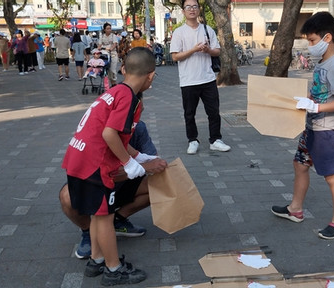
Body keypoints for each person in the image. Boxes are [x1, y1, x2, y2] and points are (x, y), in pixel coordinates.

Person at [61, 47, 167, 286]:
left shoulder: (115, 91)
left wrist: (138, 156)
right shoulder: (129, 97)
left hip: (77, 158)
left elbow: (118, 137)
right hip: (94, 165)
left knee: (98, 216)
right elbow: (110, 133)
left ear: (123, 69)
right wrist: (129, 164)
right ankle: (113, 270)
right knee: (105, 219)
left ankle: (97, 260)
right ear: (150, 76)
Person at [271, 12, 334, 240]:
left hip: (327, 131)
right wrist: (304, 100)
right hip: (312, 129)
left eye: (313, 40)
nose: (310, 45)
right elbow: (319, 92)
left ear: (328, 38)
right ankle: (295, 209)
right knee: (299, 164)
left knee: (332, 176)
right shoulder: (322, 63)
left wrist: (315, 108)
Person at [59, 119, 157, 260]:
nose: (137, 112)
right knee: (67, 196)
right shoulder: (96, 131)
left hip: (123, 185)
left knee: (159, 185)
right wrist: (142, 166)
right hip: (96, 188)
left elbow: (151, 159)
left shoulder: (138, 127)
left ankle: (118, 221)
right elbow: (107, 173)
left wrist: (156, 164)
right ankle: (88, 232)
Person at [170, 0, 231, 155]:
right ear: (183, 11)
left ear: (199, 9)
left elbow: (217, 51)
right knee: (189, 114)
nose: (192, 9)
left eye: (195, 6)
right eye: (188, 7)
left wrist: (207, 50)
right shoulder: (179, 32)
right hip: (188, 80)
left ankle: (215, 140)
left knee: (214, 112)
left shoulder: (207, 29)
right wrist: (194, 49)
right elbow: (175, 57)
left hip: (208, 78)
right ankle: (192, 140)